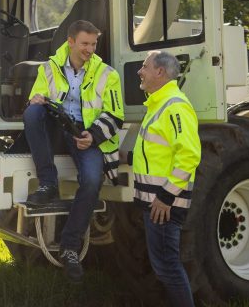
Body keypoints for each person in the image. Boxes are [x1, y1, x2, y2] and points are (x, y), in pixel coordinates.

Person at [23, 19, 124, 282]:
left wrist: (93, 136)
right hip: (58, 128)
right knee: (32, 112)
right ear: (70, 42)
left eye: (93, 43)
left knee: (92, 180)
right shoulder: (48, 68)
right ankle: (48, 183)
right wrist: (37, 99)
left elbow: (115, 115)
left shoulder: (108, 74)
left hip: (86, 133)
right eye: (84, 43)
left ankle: (69, 245)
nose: (90, 49)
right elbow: (37, 96)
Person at [131, 50, 201, 307]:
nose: (140, 71)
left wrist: (165, 197)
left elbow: (189, 156)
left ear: (159, 72)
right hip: (157, 204)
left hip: (163, 205)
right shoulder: (159, 104)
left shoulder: (175, 106)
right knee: (164, 267)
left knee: (168, 268)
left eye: (144, 66)